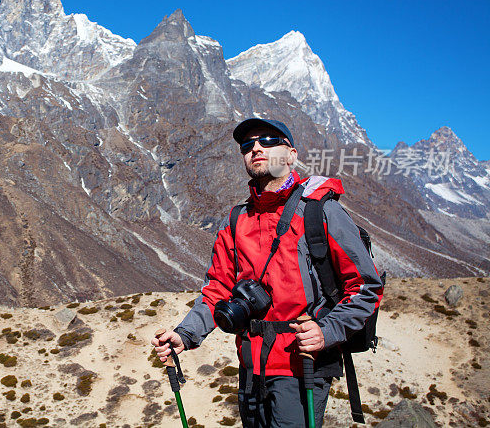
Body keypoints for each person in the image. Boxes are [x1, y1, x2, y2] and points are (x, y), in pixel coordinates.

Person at [151, 117, 384, 427]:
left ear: (291, 155)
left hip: (303, 367)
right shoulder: (237, 221)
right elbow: (218, 290)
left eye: (269, 141)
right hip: (250, 369)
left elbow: (366, 287)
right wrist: (184, 334)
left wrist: (326, 331)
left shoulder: (321, 211)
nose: (256, 148)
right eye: (247, 145)